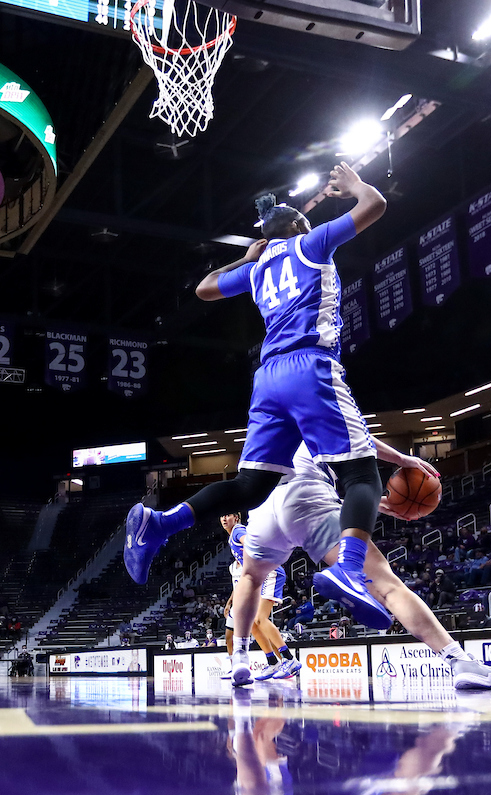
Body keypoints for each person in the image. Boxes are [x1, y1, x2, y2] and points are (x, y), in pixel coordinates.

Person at [123, 163, 393, 631]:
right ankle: (349, 568)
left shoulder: (259, 268)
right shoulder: (311, 243)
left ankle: (159, 524)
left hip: (267, 379)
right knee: (360, 472)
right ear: (301, 227)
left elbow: (205, 289)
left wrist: (247, 258)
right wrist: (355, 188)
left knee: (252, 488)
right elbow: (375, 206)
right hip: (310, 366)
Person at [228, 441, 491, 690]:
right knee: (388, 586)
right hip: (307, 496)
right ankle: (457, 660)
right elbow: (356, 439)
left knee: (250, 579)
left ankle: (240, 658)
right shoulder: (312, 401)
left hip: (263, 508)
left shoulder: (265, 423)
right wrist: (403, 459)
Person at [220, 515, 300, 681]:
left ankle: (289, 659)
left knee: (260, 619)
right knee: (252, 624)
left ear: (236, 517)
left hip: (270, 572)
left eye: (228, 515)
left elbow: (248, 541)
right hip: (261, 574)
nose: (224, 518)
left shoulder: (238, 531)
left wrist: (249, 547)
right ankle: (272, 661)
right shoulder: (232, 537)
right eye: (222, 516)